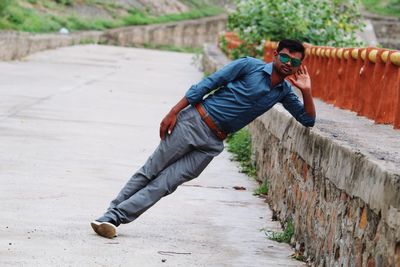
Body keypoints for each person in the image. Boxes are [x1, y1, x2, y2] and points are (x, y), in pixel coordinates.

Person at [91, 39, 316, 239]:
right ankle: (109, 217)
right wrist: (174, 112)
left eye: (294, 62)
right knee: (151, 170)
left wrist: (306, 91)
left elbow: (307, 120)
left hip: (212, 144)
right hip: (193, 122)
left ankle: (113, 218)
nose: (288, 63)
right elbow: (209, 83)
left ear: (298, 66)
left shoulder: (284, 92)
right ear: (275, 55)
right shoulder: (249, 66)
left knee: (167, 183)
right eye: (285, 57)